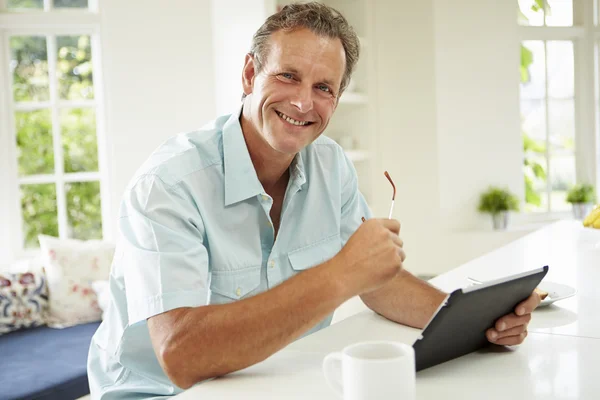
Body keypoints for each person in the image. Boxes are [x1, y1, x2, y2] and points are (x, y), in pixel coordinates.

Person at [87, 3, 541, 398]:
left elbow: (379, 284)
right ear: (249, 74)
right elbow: (180, 356)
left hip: (273, 380)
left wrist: (477, 322)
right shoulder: (169, 184)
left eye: (324, 88)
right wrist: (340, 275)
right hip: (162, 394)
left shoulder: (330, 164)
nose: (304, 103)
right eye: (288, 76)